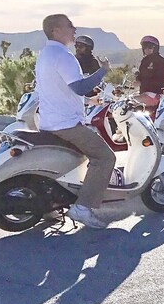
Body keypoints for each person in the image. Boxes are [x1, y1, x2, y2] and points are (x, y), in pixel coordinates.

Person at [35, 14, 114, 229]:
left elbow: (59, 90)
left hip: (50, 121)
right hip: (67, 124)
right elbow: (79, 86)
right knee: (105, 158)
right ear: (56, 31)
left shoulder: (45, 54)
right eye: (70, 26)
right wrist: (103, 71)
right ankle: (83, 207)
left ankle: (51, 203)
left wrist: (88, 100)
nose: (74, 28)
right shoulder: (63, 55)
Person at [135, 35, 164, 110]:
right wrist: (137, 79)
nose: (147, 49)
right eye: (144, 47)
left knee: (132, 102)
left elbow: (160, 80)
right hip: (144, 93)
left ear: (155, 48)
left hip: (155, 94)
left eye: (150, 47)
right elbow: (141, 75)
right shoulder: (144, 60)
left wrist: (142, 83)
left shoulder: (162, 61)